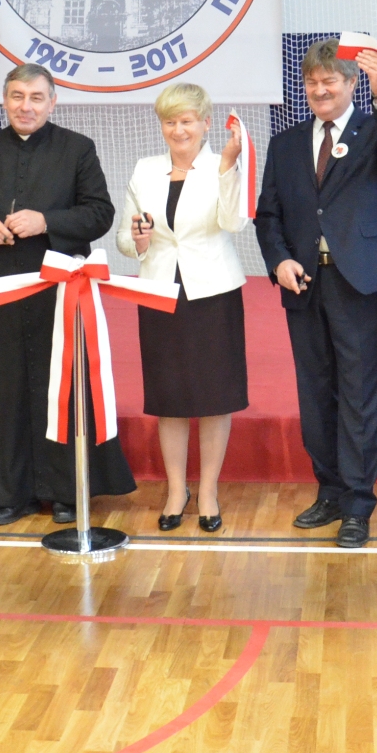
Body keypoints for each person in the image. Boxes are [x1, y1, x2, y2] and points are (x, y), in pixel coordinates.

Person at [0, 63, 129, 525]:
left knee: (62, 386)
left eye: (35, 97)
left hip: (60, 289)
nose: (25, 106)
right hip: (1, 289)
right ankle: (9, 493)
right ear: (4, 100)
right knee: (3, 390)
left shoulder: (77, 148)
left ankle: (67, 490)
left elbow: (100, 213)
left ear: (52, 102)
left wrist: (46, 221)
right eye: (17, 96)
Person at [255, 37, 377, 548]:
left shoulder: (376, 132)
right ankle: (328, 490)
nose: (320, 90)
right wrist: (279, 259)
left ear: (351, 84)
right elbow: (268, 214)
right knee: (315, 391)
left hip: (360, 282)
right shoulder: (285, 143)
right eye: (312, 83)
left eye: (330, 81)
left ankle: (357, 503)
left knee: (360, 394)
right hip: (304, 283)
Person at [116, 83, 249, 533]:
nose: (179, 129)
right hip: (159, 291)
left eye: (187, 120)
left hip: (213, 292)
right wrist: (136, 241)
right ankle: (177, 490)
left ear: (206, 123)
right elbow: (124, 238)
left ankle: (208, 491)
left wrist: (229, 167)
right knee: (168, 397)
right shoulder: (145, 169)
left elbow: (234, 222)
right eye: (170, 122)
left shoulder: (222, 164)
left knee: (214, 396)